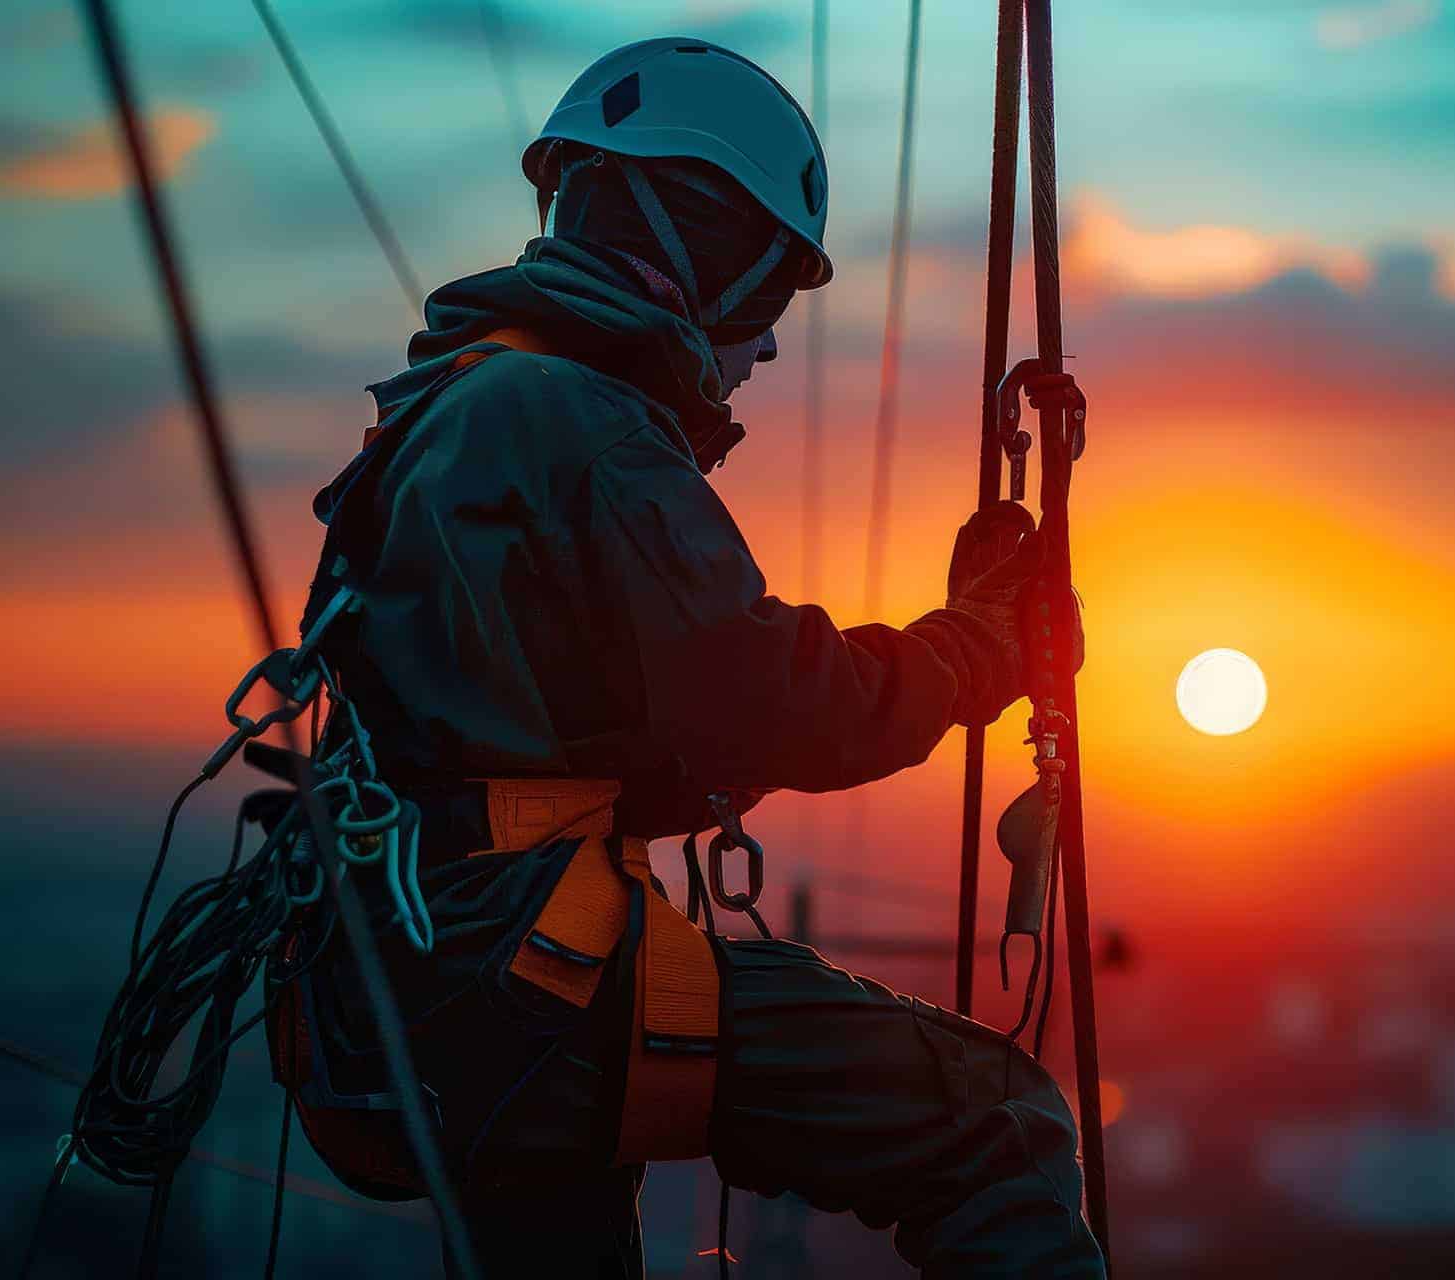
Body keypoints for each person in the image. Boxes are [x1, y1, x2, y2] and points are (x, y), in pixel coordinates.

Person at [275, 37, 1103, 1279]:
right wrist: (975, 650)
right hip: (526, 982)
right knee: (999, 1123)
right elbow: (770, 704)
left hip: (411, 993)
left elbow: (608, 744)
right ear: (704, 251)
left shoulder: (454, 410)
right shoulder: (582, 423)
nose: (764, 348)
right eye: (766, 300)